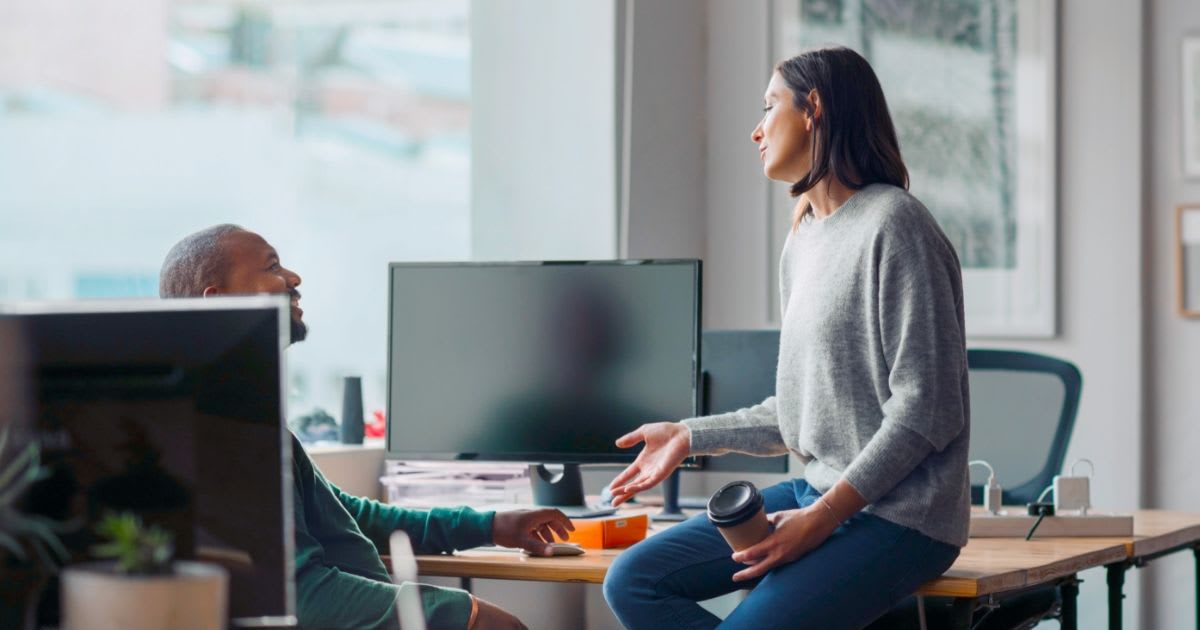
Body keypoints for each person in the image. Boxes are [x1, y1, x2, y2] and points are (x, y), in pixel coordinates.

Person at [601, 46, 970, 629]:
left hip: (902, 519)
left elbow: (928, 409)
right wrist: (687, 434)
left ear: (813, 109)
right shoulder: (803, 239)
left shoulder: (897, 225)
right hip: (816, 495)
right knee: (633, 581)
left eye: (769, 105)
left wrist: (821, 519)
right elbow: (798, 413)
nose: (755, 130)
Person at [159, 224, 574, 630]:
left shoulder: (247, 413)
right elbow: (300, 596)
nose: (294, 278)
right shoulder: (221, 428)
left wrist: (492, 525)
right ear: (218, 300)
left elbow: (347, 517)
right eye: (271, 267)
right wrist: (465, 615)